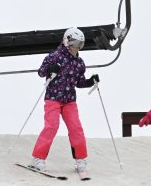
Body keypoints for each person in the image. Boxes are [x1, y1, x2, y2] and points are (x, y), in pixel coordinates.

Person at [29, 27, 99, 174]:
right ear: (67, 41)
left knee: (76, 128)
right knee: (52, 126)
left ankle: (80, 159)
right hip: (53, 98)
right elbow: (41, 72)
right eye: (74, 43)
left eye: (80, 44)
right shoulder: (55, 56)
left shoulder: (79, 62)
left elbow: (79, 82)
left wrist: (90, 81)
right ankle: (38, 158)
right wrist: (50, 69)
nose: (77, 47)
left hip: (69, 101)